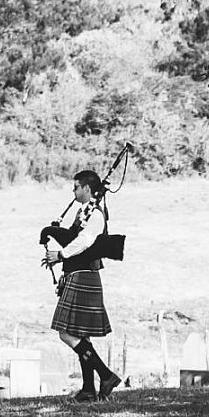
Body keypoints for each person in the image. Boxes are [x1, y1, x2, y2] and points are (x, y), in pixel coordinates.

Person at [43, 168, 121, 401]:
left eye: (76, 187)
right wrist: (55, 230)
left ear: (87, 188)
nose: (73, 191)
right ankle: (88, 390)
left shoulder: (96, 214)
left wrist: (61, 255)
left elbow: (86, 241)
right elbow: (76, 237)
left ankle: (106, 376)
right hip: (78, 274)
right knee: (80, 334)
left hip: (84, 275)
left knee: (66, 333)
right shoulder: (83, 212)